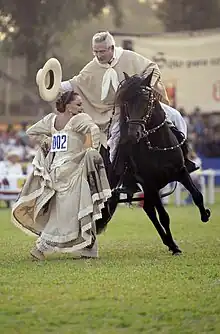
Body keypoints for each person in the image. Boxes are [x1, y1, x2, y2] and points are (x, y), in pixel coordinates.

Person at [60, 31, 197, 173]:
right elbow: (75, 83)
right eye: (95, 52)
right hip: (117, 112)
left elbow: (152, 68)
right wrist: (53, 86)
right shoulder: (92, 68)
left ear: (111, 48)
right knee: (114, 140)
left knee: (175, 116)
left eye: (102, 51)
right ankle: (119, 174)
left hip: (141, 105)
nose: (99, 55)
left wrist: (144, 85)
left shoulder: (129, 57)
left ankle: (184, 158)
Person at [11, 91, 112, 260]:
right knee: (68, 212)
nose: (81, 108)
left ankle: (90, 250)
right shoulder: (77, 119)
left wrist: (48, 141)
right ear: (68, 106)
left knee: (81, 207)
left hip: (62, 173)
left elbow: (31, 131)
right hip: (68, 173)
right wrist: (94, 150)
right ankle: (40, 248)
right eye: (78, 104)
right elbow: (94, 129)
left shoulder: (52, 120)